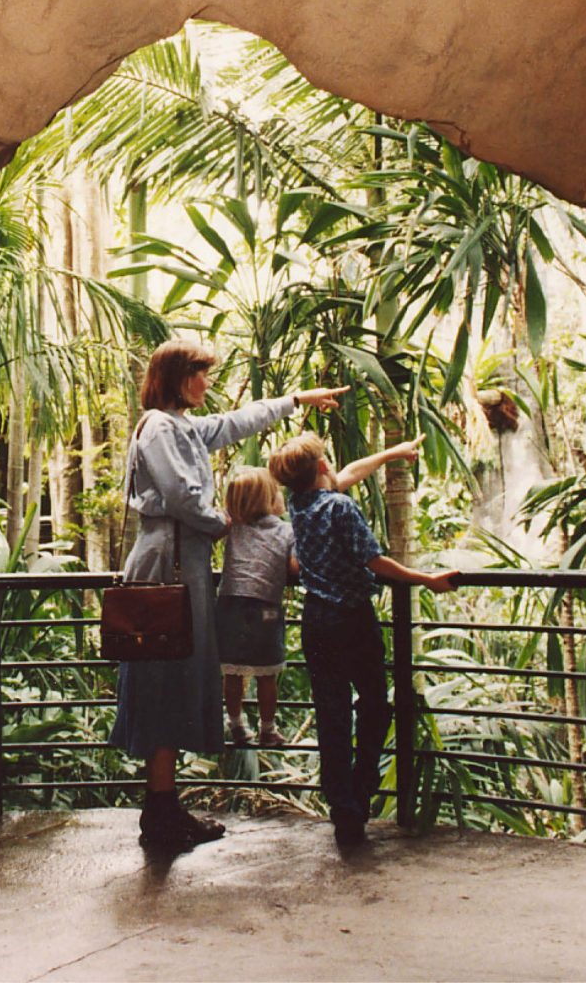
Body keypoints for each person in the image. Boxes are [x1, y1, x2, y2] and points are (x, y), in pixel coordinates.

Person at [109, 338, 347, 847]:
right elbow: (182, 496)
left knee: (175, 679)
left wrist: (296, 400)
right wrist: (226, 522)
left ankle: (164, 807)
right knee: (165, 677)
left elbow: (236, 422)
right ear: (178, 377)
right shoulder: (159, 426)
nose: (208, 382)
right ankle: (161, 813)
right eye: (201, 373)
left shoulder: (183, 427)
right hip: (168, 563)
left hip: (183, 560)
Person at [269, 431, 458, 848]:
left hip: (317, 621)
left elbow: (349, 473)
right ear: (323, 467)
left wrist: (393, 453)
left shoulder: (300, 504)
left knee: (332, 714)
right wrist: (426, 579)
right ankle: (362, 786)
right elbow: (375, 561)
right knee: (374, 703)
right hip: (352, 619)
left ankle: (344, 810)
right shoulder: (340, 507)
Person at [215, 467, 299, 748]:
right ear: (268, 499)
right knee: (267, 674)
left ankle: (236, 724)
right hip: (266, 606)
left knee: (233, 672)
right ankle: (268, 729)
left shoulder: (233, 526)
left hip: (230, 604)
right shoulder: (287, 530)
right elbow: (294, 567)